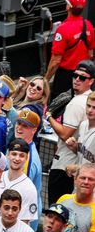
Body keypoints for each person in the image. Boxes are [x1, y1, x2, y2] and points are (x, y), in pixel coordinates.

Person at [46, 60, 94, 205]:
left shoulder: (77, 102)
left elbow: (65, 134)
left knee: (57, 208)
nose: (77, 80)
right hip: (76, 168)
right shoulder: (87, 102)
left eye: (82, 77)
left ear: (91, 81)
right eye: (75, 76)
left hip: (65, 166)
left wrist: (48, 116)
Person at [45, 0, 94, 99]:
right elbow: (90, 55)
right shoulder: (89, 25)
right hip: (83, 76)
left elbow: (55, 61)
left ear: (68, 7)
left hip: (65, 77)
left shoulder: (62, 29)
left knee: (58, 106)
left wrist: (46, 79)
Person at [2, 139, 40, 226]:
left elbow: (24, 223)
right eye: (14, 154)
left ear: (26, 158)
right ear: (8, 155)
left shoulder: (29, 188)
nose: (17, 159)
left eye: (22, 156)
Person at [56, 163, 95, 232]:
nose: (86, 182)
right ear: (75, 180)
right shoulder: (63, 199)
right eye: (83, 178)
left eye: (91, 179)